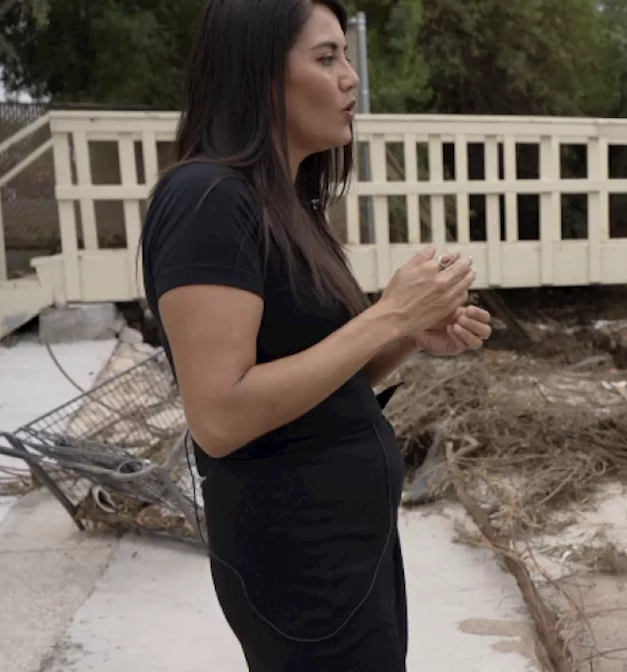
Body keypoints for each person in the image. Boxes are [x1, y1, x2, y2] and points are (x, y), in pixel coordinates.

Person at [139, 1, 492, 670]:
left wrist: (410, 334)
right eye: (326, 58)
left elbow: (316, 380)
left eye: (345, 56)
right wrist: (387, 314)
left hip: (348, 551)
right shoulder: (207, 201)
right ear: (259, 75)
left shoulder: (286, 204)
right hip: (299, 565)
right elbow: (220, 413)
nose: (350, 78)